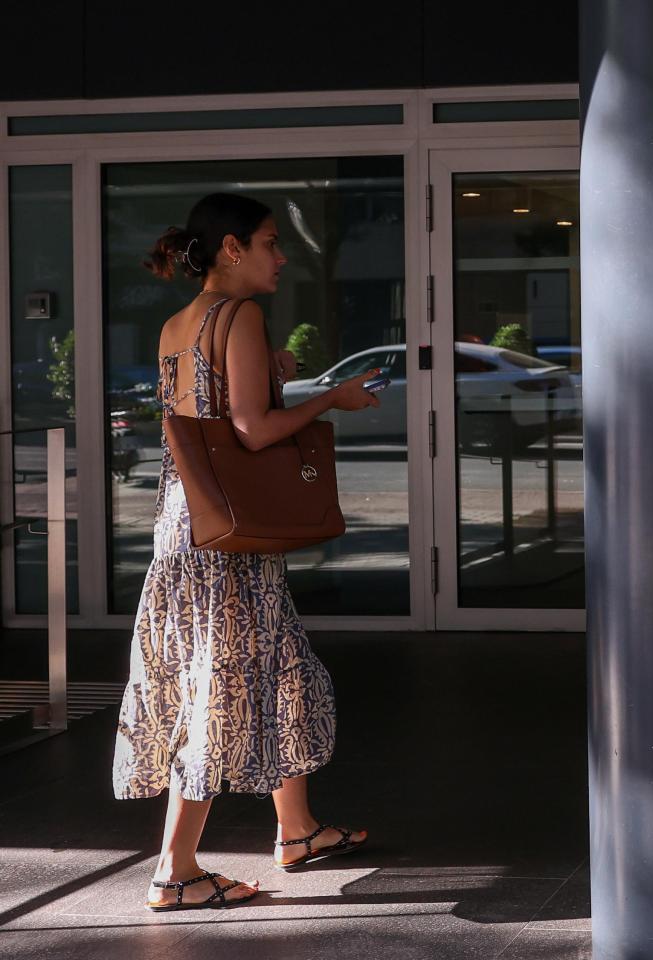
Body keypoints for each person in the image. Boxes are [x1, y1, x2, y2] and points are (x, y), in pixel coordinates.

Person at [114, 193, 378, 911]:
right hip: (228, 541)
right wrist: (333, 399)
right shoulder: (243, 316)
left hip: (185, 525)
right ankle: (175, 870)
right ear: (231, 247)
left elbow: (211, 424)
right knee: (218, 687)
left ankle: (297, 830)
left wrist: (276, 378)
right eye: (268, 242)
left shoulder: (176, 324)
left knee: (280, 664)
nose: (280, 255)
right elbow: (255, 433)